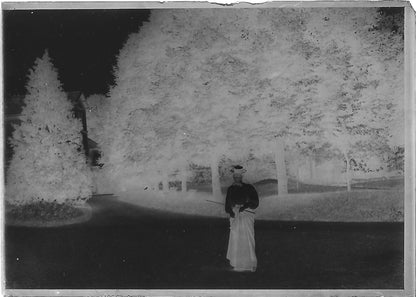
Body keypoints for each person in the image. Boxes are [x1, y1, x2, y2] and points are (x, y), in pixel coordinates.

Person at [225, 165, 259, 272]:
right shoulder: (230, 189)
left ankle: (251, 263)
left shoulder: (249, 188)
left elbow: (255, 202)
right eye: (235, 176)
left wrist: (244, 206)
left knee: (248, 238)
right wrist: (230, 212)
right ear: (233, 177)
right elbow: (227, 204)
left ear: (242, 176)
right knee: (236, 238)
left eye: (239, 176)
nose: (237, 178)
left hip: (246, 214)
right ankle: (236, 263)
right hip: (236, 216)